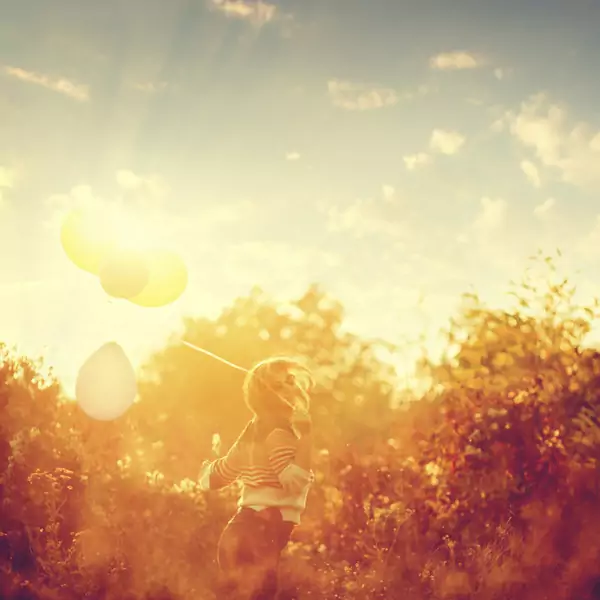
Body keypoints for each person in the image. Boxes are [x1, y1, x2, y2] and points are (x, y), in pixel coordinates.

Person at [198, 356, 315, 600]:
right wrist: (306, 436)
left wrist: (205, 473)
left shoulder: (253, 430)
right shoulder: (279, 432)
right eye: (282, 382)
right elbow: (293, 481)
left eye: (291, 379)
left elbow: (220, 476)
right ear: (268, 393)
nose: (291, 385)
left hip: (238, 531)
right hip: (263, 528)